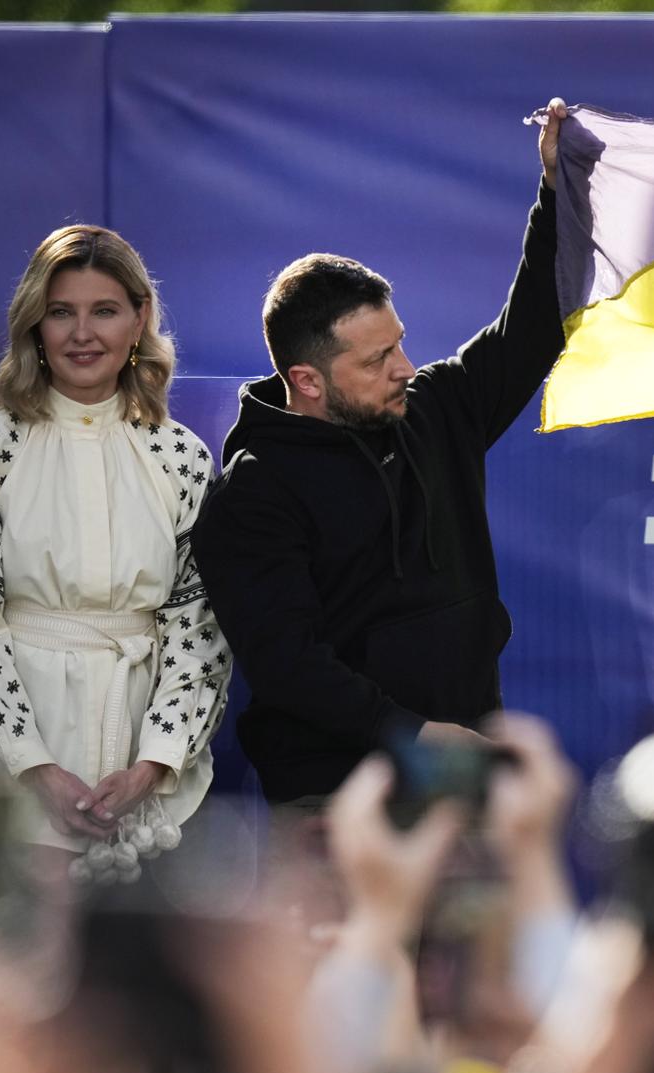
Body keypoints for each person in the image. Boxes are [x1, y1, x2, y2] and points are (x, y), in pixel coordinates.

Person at [192, 102, 570, 805]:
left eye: (399, 342)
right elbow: (289, 667)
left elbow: (535, 327)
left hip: (462, 780)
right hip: (332, 801)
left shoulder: (436, 407)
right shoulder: (249, 500)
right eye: (376, 358)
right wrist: (415, 734)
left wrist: (555, 191)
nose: (404, 365)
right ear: (306, 381)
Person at [0, 225, 229, 855]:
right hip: (5, 774)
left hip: (148, 777)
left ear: (138, 320)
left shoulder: (182, 458)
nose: (82, 334)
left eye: (104, 311)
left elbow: (202, 627)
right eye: (61, 313)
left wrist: (155, 763)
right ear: (36, 323)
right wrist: (31, 763)